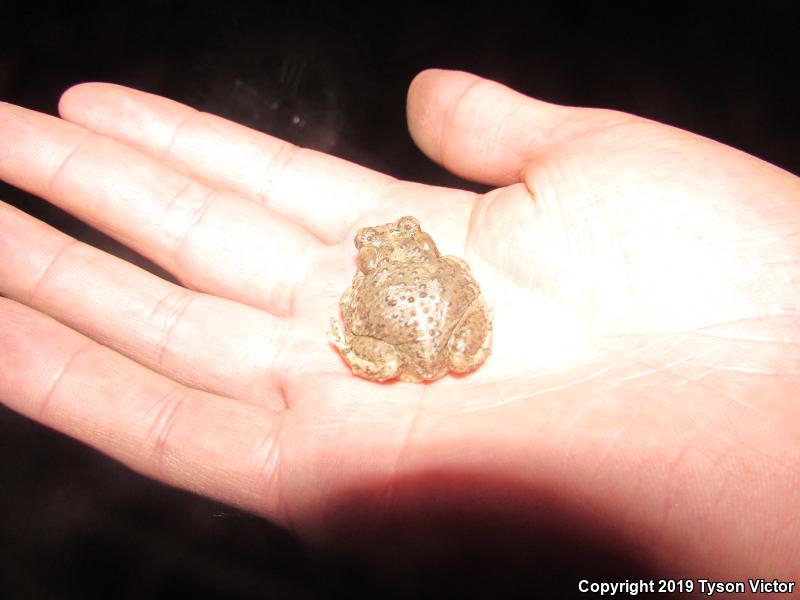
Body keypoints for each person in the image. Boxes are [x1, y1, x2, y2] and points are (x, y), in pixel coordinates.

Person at [0, 69, 798, 590]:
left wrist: (357, 333)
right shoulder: (419, 268)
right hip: (447, 340)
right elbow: (455, 285)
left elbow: (383, 304)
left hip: (411, 345)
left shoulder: (373, 280)